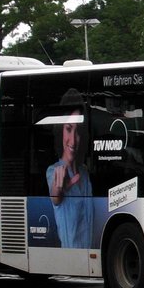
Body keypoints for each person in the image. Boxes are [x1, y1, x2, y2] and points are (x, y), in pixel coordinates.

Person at [46, 89, 93, 248]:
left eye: (78, 131)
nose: (73, 140)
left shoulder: (85, 173)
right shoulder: (54, 171)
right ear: (60, 130)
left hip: (89, 258)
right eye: (68, 129)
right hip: (71, 258)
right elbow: (55, 198)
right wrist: (59, 190)